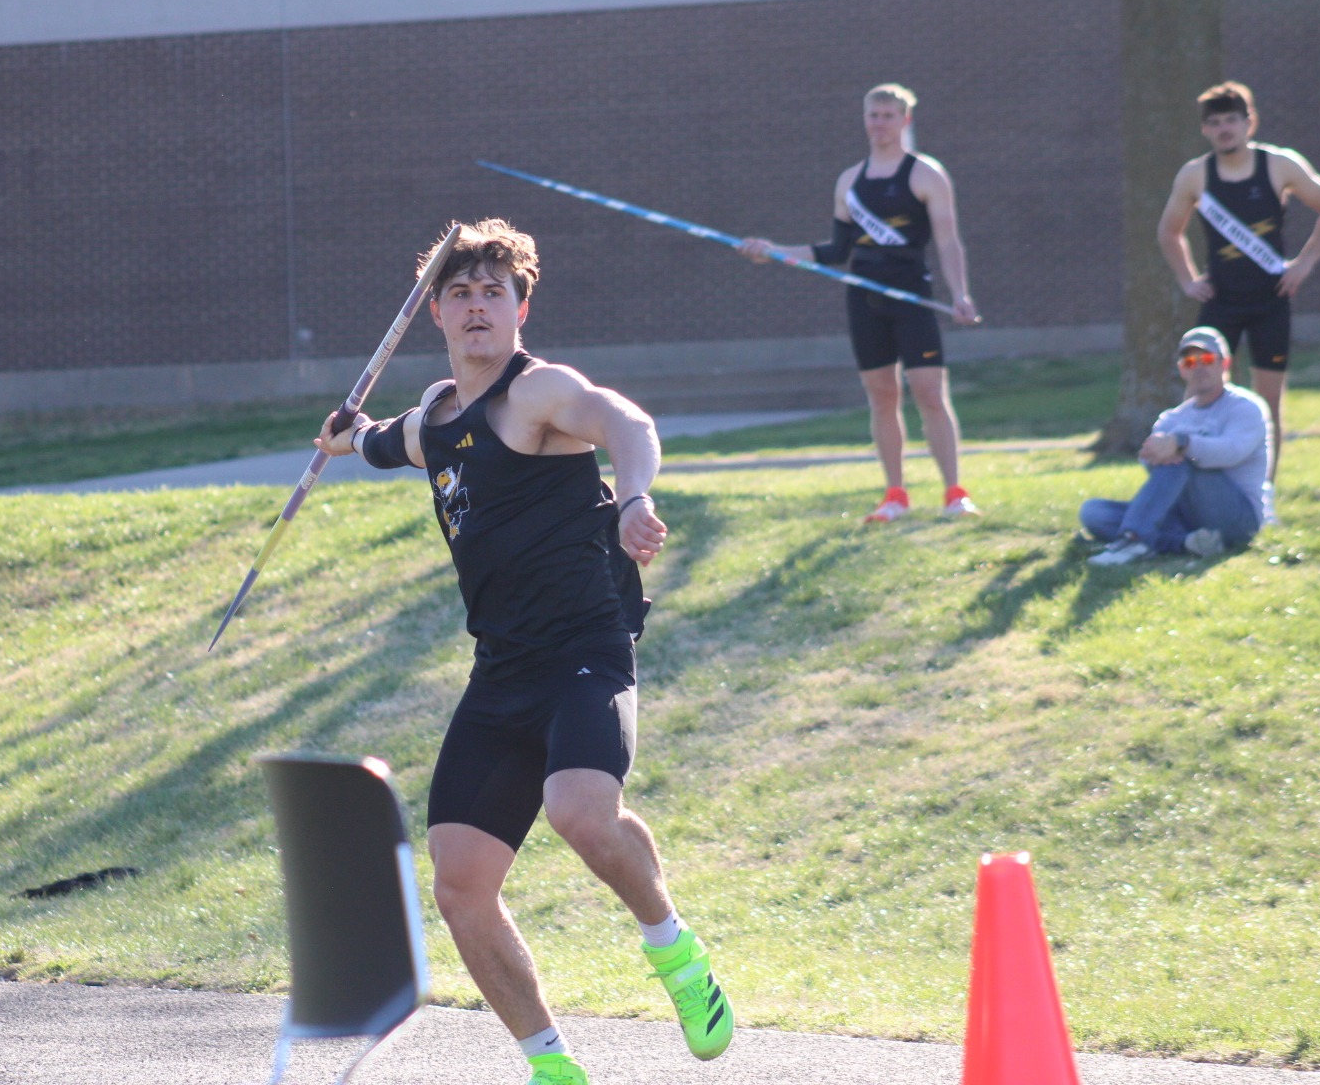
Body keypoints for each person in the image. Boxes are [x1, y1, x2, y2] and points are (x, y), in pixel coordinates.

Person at [318, 221, 731, 1085]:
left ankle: (676, 953)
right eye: (460, 294)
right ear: (435, 312)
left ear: (520, 309)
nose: (477, 308)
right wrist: (346, 438)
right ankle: (552, 1068)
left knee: (581, 811)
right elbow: (390, 441)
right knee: (459, 883)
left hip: (584, 651)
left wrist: (635, 497)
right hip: (501, 671)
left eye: (492, 293)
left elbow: (625, 420)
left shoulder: (538, 395)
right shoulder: (436, 419)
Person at [737, 83, 981, 523]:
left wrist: (960, 294)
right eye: (873, 115)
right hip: (865, 301)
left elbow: (948, 241)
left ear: (904, 120)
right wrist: (774, 251)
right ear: (864, 119)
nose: (879, 124)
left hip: (912, 298)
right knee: (882, 395)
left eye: (888, 116)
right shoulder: (850, 181)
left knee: (929, 392)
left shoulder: (926, 174)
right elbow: (835, 251)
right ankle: (895, 496)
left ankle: (954, 493)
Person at [1156, 81, 1320, 479]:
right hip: (1220, 302)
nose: (1224, 129)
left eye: (1231, 120)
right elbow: (1169, 232)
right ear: (1205, 129)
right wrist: (1188, 280)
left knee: (1269, 403)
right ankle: (1195, 485)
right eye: (1215, 123)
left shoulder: (1279, 165)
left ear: (1249, 123)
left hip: (1271, 301)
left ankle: (1264, 493)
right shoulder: (1195, 175)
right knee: (1198, 396)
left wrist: (1305, 263)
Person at [1083, 328, 1271, 566]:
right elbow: (1149, 459)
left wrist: (1182, 443)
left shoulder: (1246, 407)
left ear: (1225, 363)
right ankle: (1186, 543)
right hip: (1184, 515)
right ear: (1182, 369)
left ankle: (1134, 539)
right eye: (1190, 361)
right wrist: (1164, 451)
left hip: (1237, 519)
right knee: (1095, 512)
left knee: (1181, 459)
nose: (1199, 367)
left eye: (1207, 359)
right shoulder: (1172, 418)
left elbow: (1232, 451)